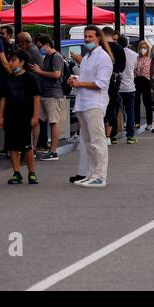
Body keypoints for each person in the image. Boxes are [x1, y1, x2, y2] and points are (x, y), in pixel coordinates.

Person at [68, 25, 112, 187]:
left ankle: (100, 175)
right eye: (86, 36)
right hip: (83, 103)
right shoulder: (87, 58)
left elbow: (101, 83)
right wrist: (75, 80)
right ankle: (92, 173)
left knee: (97, 141)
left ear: (98, 38)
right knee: (88, 142)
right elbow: (87, 78)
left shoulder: (103, 57)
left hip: (94, 103)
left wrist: (79, 83)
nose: (87, 39)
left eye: (90, 37)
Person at [0, 44, 40, 184]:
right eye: (10, 60)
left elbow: (36, 97)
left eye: (13, 60)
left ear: (22, 62)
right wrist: (1, 116)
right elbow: (3, 98)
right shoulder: (8, 78)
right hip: (11, 116)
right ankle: (16, 172)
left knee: (26, 146)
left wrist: (35, 116)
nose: (10, 63)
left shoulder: (30, 78)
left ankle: (32, 172)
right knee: (12, 146)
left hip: (25, 116)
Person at [30, 34, 66, 160]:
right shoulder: (47, 57)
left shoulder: (56, 57)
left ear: (46, 44)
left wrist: (40, 72)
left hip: (53, 94)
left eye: (40, 46)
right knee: (37, 120)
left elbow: (56, 74)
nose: (39, 49)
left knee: (53, 121)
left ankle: (53, 151)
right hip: (44, 93)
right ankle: (33, 148)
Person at [101, 27, 127, 144]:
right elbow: (122, 66)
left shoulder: (101, 48)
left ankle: (104, 133)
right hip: (115, 80)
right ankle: (112, 134)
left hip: (103, 80)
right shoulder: (119, 48)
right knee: (112, 106)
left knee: (103, 106)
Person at [119, 35, 138, 144]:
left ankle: (113, 136)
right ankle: (130, 136)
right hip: (129, 87)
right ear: (127, 43)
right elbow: (135, 70)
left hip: (117, 87)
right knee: (130, 111)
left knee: (115, 110)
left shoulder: (114, 53)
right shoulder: (134, 55)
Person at [133, 39, 154, 131]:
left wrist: (151, 86)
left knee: (147, 103)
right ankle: (137, 122)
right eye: (141, 48)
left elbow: (152, 72)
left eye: (144, 48)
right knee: (136, 102)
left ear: (147, 49)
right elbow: (134, 70)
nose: (143, 49)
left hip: (147, 81)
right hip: (137, 80)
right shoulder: (136, 59)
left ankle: (149, 123)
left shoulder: (150, 60)